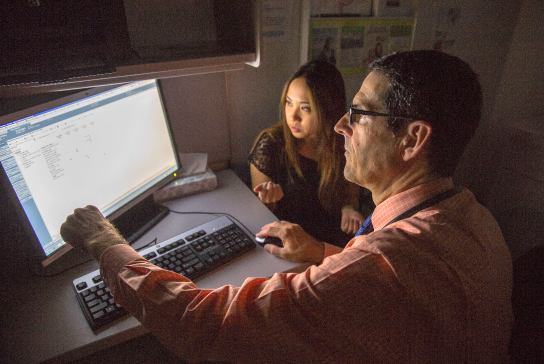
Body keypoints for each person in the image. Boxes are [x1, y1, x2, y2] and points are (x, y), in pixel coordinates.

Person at [61, 50, 513, 363]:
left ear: (412, 138)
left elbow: (199, 323)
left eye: (359, 114)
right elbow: (402, 288)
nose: (340, 126)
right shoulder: (476, 219)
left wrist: (103, 240)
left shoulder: (380, 266)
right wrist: (321, 252)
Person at [248, 59, 365, 247]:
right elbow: (261, 218)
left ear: (327, 109)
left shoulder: (342, 143)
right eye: (288, 103)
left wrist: (349, 209)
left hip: (329, 241)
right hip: (290, 243)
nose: (292, 116)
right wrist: (269, 200)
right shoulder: (270, 144)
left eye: (305, 108)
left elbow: (350, 192)